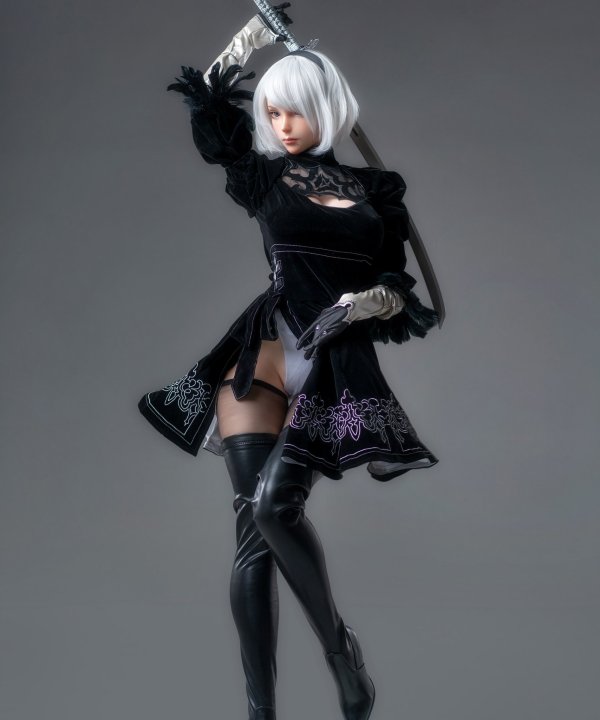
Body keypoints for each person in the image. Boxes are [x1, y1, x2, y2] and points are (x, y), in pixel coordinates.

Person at [138, 8, 439, 720]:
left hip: (332, 359)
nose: (279, 123)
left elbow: (398, 284)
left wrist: (369, 301)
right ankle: (261, 712)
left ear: (324, 107)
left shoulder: (377, 192)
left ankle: (339, 652)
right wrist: (251, 35)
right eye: (271, 112)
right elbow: (211, 108)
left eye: (292, 110)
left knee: (277, 508)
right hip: (265, 352)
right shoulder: (264, 179)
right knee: (253, 533)